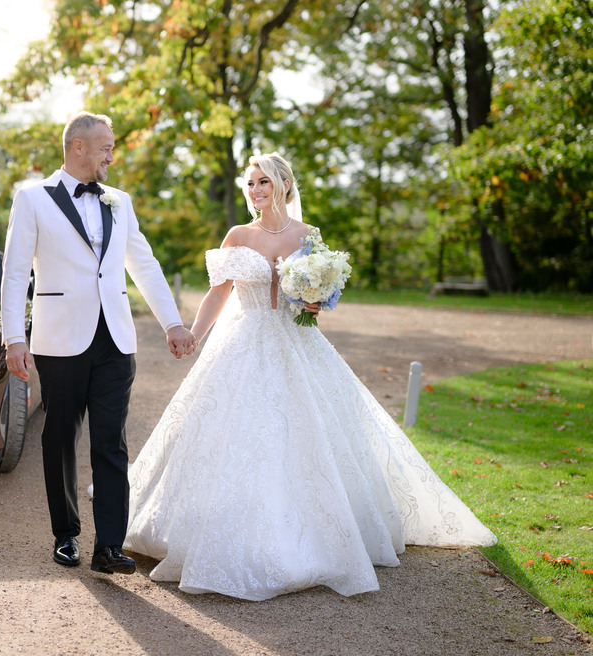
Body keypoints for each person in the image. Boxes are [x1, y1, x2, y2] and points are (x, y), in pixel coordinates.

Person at [123, 153, 497, 600]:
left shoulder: (309, 236)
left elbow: (318, 300)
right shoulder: (237, 236)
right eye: (250, 184)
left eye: (263, 182)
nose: (255, 190)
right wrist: (193, 336)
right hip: (244, 343)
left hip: (297, 344)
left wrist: (317, 302)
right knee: (240, 435)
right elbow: (218, 295)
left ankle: (321, 533)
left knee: (309, 435)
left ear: (283, 184)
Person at [1, 111, 196, 575]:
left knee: (112, 441)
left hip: (116, 339)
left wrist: (172, 323)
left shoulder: (119, 200)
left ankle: (109, 545)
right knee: (60, 435)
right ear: (79, 148)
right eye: (105, 146)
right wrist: (14, 337)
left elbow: (143, 264)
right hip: (60, 337)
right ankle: (65, 534)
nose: (112, 154)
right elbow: (14, 271)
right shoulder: (32, 198)